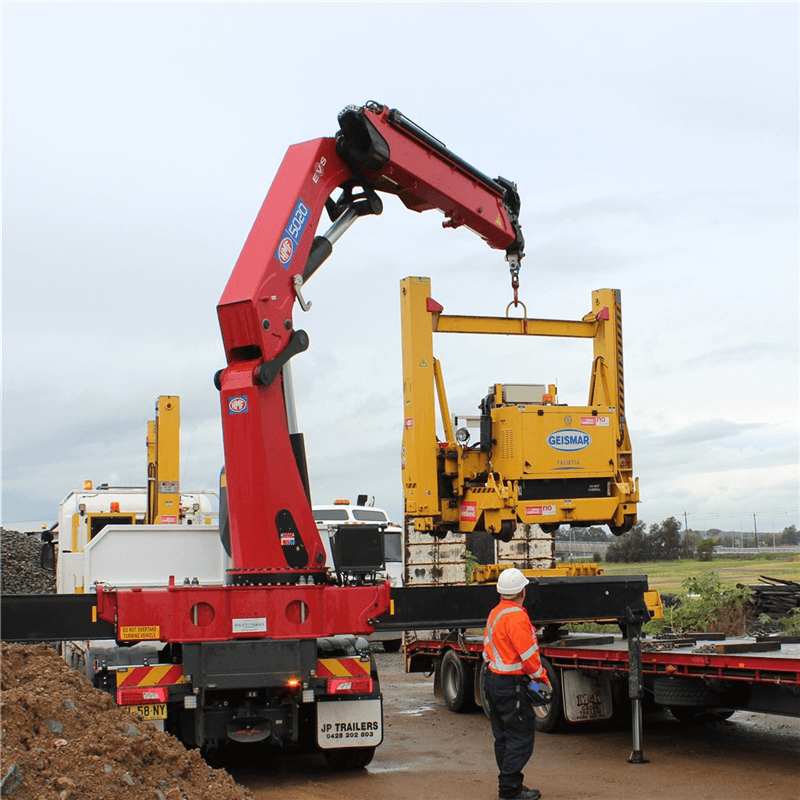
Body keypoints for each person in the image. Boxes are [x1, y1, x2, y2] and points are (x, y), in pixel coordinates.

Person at [483, 567, 552, 800]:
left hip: (493, 681)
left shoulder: (495, 613)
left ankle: (511, 787)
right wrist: (542, 680)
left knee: (503, 737)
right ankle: (509, 790)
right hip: (511, 685)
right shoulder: (517, 616)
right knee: (520, 737)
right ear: (523, 591)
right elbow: (530, 657)